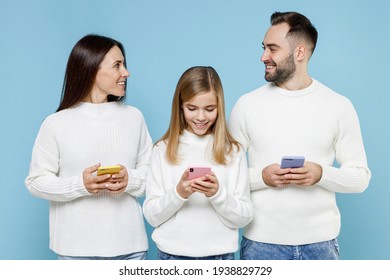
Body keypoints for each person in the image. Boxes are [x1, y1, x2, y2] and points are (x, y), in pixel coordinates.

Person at [228, 12, 371, 260]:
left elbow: (360, 177)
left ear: (300, 53)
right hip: (262, 245)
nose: (263, 57)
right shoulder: (246, 105)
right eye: (264, 48)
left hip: (321, 246)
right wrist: (263, 176)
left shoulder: (338, 105)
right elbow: (225, 177)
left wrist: (320, 173)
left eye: (272, 49)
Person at [25, 34, 153, 260]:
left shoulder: (134, 117)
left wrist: (129, 180)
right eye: (117, 65)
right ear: (92, 69)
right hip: (75, 253)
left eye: (124, 64)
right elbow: (35, 182)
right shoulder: (55, 124)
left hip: (131, 250)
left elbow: (154, 177)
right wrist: (80, 184)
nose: (126, 72)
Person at [143, 66, 253, 260]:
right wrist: (178, 193)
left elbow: (244, 217)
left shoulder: (233, 151)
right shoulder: (162, 150)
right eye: (192, 108)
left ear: (219, 106)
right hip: (172, 258)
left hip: (220, 257)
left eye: (210, 109)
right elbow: (152, 217)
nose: (201, 117)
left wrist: (217, 194)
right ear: (180, 107)